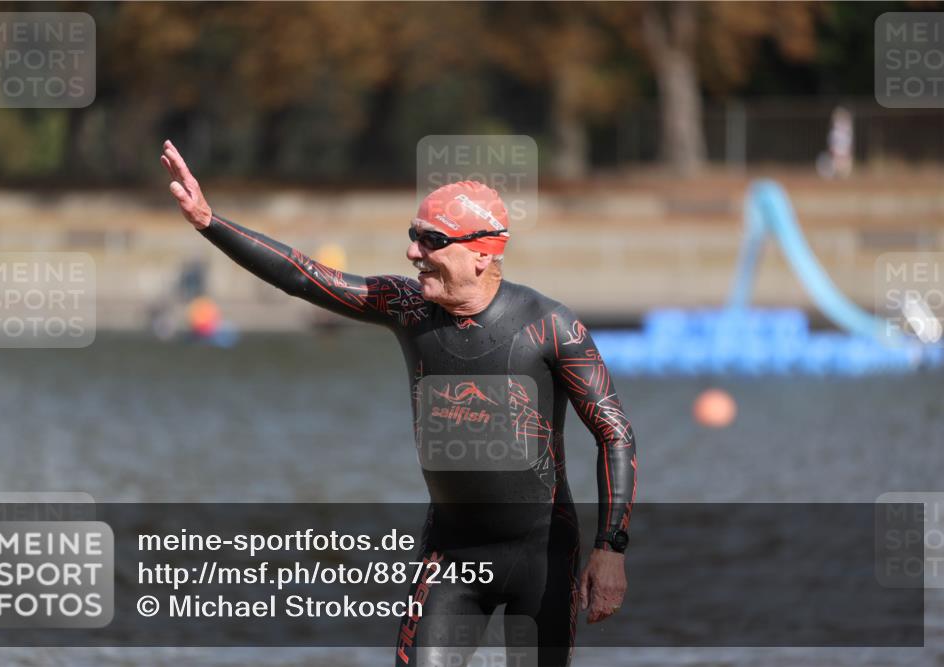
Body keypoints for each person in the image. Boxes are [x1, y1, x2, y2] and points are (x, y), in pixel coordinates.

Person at [160, 139, 636, 666]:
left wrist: (609, 548)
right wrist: (208, 221)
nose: (413, 253)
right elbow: (303, 276)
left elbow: (614, 432)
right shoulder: (408, 308)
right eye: (414, 236)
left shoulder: (549, 326)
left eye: (431, 241)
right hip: (452, 556)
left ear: (483, 254)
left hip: (543, 555)